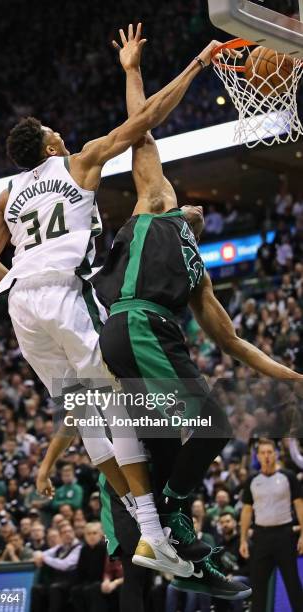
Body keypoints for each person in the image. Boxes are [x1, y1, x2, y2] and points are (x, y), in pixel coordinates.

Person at [0, 22, 225, 577]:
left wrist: (27, 270)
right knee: (118, 403)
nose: (60, 130)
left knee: (87, 414)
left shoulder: (7, 193)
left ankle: (146, 528)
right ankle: (156, 532)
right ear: (48, 144)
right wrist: (194, 66)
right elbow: (145, 124)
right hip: (65, 293)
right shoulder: (78, 161)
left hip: (22, 306)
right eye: (52, 128)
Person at [94, 23, 303, 602]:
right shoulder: (156, 202)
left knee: (170, 446)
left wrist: (294, 376)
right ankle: (176, 522)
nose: (202, 206)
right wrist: (133, 70)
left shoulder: (196, 276)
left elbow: (235, 343)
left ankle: (166, 545)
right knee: (213, 422)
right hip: (136, 325)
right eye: (199, 203)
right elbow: (142, 134)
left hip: (138, 337)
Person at [240, 438, 303, 612]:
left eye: (270, 452)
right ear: (257, 456)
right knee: (258, 587)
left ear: (275, 454)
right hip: (261, 537)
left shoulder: (288, 476)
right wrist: (243, 540)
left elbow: (299, 506)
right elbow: (246, 512)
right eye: (263, 453)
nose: (267, 456)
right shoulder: (252, 479)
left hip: (285, 534)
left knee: (293, 584)